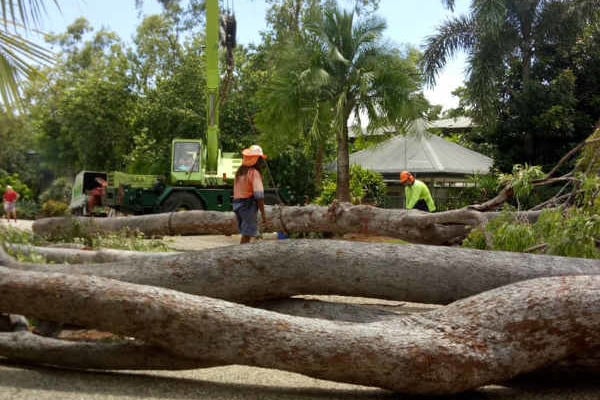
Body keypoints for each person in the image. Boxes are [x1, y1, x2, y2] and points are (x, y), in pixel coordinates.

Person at [233, 145, 267, 244]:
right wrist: (264, 215)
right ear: (256, 159)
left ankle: (243, 254)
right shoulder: (254, 173)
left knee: (247, 234)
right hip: (247, 206)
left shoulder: (240, 172)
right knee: (247, 235)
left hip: (237, 205)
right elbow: (259, 195)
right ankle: (241, 256)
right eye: (260, 159)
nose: (262, 162)